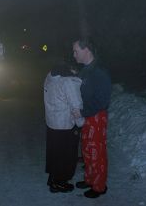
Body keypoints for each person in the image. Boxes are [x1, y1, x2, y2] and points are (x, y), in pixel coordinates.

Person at [72, 38, 112, 198]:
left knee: (97, 151)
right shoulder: (86, 70)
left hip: (96, 116)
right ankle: (90, 179)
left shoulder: (99, 71)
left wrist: (82, 112)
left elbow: (102, 101)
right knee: (88, 150)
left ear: (86, 50)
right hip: (87, 115)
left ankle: (99, 186)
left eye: (76, 51)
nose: (73, 54)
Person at [44, 62, 84, 193]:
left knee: (55, 153)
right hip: (65, 124)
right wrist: (81, 122)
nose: (76, 73)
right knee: (66, 155)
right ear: (70, 68)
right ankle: (59, 183)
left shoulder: (50, 77)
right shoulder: (68, 82)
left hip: (52, 123)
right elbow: (75, 105)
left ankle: (53, 178)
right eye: (75, 70)